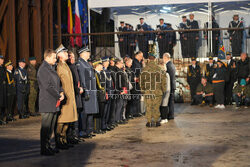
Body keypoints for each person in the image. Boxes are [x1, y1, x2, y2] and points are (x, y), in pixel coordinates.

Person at [38, 49, 64, 156]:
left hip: (53, 101)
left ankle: (48, 146)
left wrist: (61, 91)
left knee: (50, 126)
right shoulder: (43, 69)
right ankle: (44, 148)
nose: (55, 59)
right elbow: (47, 86)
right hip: (47, 101)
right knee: (46, 127)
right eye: (53, 57)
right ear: (47, 57)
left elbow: (58, 83)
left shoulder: (51, 68)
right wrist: (58, 95)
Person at [56, 44, 78, 149]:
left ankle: (64, 139)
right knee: (62, 120)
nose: (66, 54)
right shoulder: (59, 66)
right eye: (64, 52)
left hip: (70, 96)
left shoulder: (66, 65)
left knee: (68, 120)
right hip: (64, 97)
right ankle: (59, 140)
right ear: (59, 55)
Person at [77, 46, 99, 138]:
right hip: (87, 91)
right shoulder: (80, 64)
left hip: (92, 90)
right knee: (85, 113)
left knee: (91, 112)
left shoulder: (87, 64)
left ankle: (90, 130)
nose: (89, 54)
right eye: (87, 52)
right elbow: (82, 78)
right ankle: (83, 131)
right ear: (82, 54)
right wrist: (85, 90)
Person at [140, 53, 167, 127]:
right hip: (157, 91)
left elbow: (141, 81)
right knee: (156, 106)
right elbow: (164, 81)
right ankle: (156, 120)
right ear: (155, 59)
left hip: (148, 91)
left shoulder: (144, 69)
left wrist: (142, 89)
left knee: (148, 106)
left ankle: (148, 121)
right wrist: (163, 89)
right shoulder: (160, 69)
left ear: (148, 59)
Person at [67, 51, 84, 144]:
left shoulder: (75, 67)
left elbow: (78, 80)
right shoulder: (69, 67)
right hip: (73, 95)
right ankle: (71, 136)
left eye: (73, 57)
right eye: (70, 57)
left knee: (77, 116)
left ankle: (75, 135)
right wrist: (78, 89)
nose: (72, 59)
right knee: (72, 118)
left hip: (77, 95)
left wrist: (81, 87)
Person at [93, 59, 108, 133]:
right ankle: (96, 128)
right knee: (97, 113)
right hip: (98, 96)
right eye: (100, 65)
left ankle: (100, 127)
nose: (102, 66)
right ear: (97, 66)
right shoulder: (94, 74)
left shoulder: (101, 73)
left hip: (102, 95)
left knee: (102, 112)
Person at [101, 56, 114, 131]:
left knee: (108, 110)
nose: (109, 63)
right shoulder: (102, 71)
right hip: (105, 93)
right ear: (104, 62)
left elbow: (110, 83)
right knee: (104, 110)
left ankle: (106, 124)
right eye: (107, 61)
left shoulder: (108, 71)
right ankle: (103, 125)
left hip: (110, 92)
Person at [114, 59, 128, 124]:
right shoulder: (117, 71)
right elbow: (118, 82)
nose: (123, 64)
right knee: (119, 105)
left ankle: (120, 118)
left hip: (123, 88)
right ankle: (117, 119)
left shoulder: (120, 70)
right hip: (120, 89)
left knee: (122, 105)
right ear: (118, 63)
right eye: (122, 63)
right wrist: (120, 90)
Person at [163, 53, 176, 120]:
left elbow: (169, 77)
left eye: (163, 58)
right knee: (171, 101)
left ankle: (170, 115)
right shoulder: (171, 64)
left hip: (170, 86)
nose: (163, 60)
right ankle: (170, 114)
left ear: (166, 58)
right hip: (172, 85)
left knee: (170, 101)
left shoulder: (168, 65)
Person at [131, 51, 143, 117]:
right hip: (135, 82)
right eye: (141, 56)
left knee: (138, 97)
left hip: (139, 82)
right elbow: (133, 72)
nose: (142, 58)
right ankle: (135, 112)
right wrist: (135, 77)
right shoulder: (134, 62)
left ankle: (138, 111)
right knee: (136, 97)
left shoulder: (139, 62)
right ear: (137, 55)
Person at [159, 58, 171, 124]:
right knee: (165, 104)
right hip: (167, 90)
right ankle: (165, 118)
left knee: (163, 105)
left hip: (164, 91)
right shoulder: (167, 73)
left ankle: (163, 118)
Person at [0, 55, 7, 125]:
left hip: (3, 88)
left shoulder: (3, 67)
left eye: (3, 59)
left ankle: (2, 119)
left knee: (3, 104)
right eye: (1, 59)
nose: (2, 60)